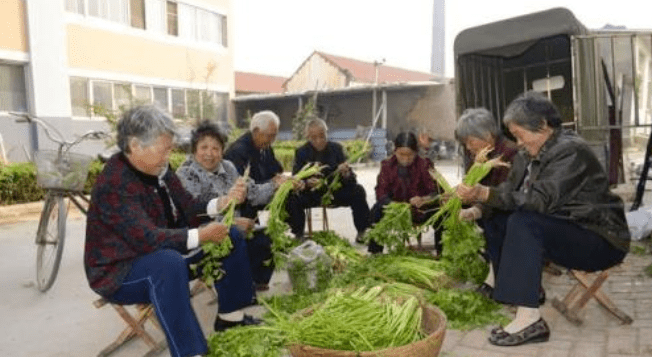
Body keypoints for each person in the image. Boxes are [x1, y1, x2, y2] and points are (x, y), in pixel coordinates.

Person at [456, 91, 630, 346]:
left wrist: (484, 192)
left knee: (525, 221)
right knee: (501, 218)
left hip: (602, 239)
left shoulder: (571, 151)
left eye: (520, 135)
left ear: (543, 126)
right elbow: (507, 193)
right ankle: (523, 297)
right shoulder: (529, 153)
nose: (519, 142)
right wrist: (479, 197)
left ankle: (530, 319)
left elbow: (539, 201)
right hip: (570, 229)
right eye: (515, 136)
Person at [84, 106, 259, 357]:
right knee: (167, 264)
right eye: (163, 149)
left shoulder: (159, 169)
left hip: (165, 254)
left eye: (170, 149)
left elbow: (188, 207)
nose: (168, 155)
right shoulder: (116, 183)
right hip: (120, 273)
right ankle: (190, 353)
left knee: (230, 235)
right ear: (135, 146)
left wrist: (223, 202)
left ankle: (231, 316)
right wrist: (202, 235)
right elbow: (147, 239)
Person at [176, 120, 275, 291]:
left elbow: (254, 193)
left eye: (215, 148)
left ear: (222, 151)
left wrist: (276, 184)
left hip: (234, 230)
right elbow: (193, 214)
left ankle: (254, 285)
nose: (210, 153)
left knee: (265, 233)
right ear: (194, 150)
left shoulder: (228, 168)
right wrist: (232, 224)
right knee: (233, 237)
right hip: (204, 235)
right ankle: (235, 297)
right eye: (204, 148)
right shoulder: (186, 174)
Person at [454, 108, 518, 298]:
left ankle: (498, 278)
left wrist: (476, 210)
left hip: (509, 209)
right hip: (489, 205)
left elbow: (505, 196)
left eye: (471, 141)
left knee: (495, 224)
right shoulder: (479, 154)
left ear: (488, 135)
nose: (468, 147)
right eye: (465, 143)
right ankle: (490, 267)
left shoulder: (510, 153)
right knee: (455, 208)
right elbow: (473, 185)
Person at [286, 117, 370, 241]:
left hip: (334, 193)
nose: (319, 141)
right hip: (311, 195)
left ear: (327, 133)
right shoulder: (301, 152)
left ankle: (362, 231)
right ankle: (298, 234)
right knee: (291, 198)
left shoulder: (336, 149)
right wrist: (306, 183)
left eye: (322, 136)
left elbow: (351, 180)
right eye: (314, 138)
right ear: (308, 137)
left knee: (358, 190)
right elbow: (295, 178)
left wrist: (346, 174)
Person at [368, 131, 444, 254]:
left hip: (420, 211)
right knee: (376, 210)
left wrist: (424, 199)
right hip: (396, 212)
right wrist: (394, 205)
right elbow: (380, 193)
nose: (406, 158)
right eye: (401, 154)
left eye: (410, 155)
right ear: (395, 151)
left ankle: (442, 253)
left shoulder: (424, 164)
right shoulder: (387, 166)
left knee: (442, 213)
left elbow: (437, 191)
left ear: (416, 152)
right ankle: (375, 253)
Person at [223, 110, 288, 218]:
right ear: (256, 131)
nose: (272, 140)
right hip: (246, 207)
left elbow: (276, 170)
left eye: (274, 136)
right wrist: (272, 183)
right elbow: (245, 188)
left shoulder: (265, 147)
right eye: (270, 136)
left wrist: (283, 180)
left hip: (265, 200)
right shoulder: (237, 151)